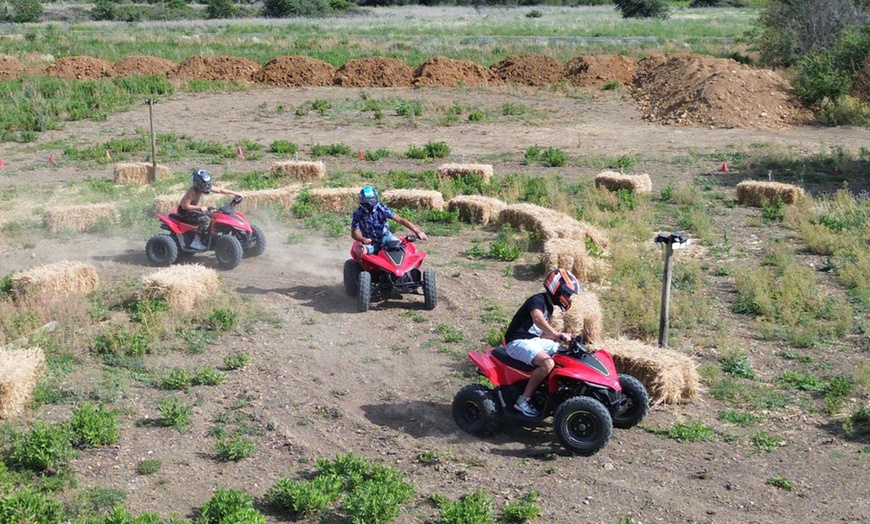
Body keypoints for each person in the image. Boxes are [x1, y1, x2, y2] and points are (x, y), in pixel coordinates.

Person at [504, 268, 582, 418]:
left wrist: (567, 338)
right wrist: (557, 333)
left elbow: (541, 333)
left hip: (532, 341)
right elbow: (537, 319)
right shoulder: (537, 300)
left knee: (563, 354)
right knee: (547, 363)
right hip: (516, 342)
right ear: (556, 290)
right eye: (567, 294)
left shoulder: (550, 307)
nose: (569, 298)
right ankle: (523, 400)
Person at [351, 186, 428, 258]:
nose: (370, 203)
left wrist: (417, 231)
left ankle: (403, 269)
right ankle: (362, 271)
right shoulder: (358, 213)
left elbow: (400, 220)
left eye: (372, 200)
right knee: (359, 251)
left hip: (386, 237)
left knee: (402, 248)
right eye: (368, 201)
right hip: (371, 242)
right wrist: (363, 239)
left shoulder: (381, 208)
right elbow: (354, 234)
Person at [179, 168, 242, 251]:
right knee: (206, 220)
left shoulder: (205, 186)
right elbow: (184, 206)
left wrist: (234, 193)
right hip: (186, 212)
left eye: (207, 184)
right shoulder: (192, 192)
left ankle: (210, 237)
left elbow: (220, 190)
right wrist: (200, 207)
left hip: (196, 209)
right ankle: (196, 241)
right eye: (204, 185)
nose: (207, 187)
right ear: (197, 184)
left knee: (216, 214)